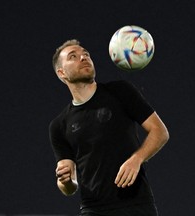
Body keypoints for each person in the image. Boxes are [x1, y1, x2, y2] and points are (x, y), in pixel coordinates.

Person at [49, 39, 169, 216]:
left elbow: (160, 131)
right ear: (62, 73)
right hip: (93, 209)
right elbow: (69, 187)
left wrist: (137, 159)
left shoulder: (120, 91)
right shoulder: (59, 125)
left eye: (86, 54)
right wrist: (65, 181)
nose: (83, 57)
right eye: (73, 57)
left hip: (135, 204)